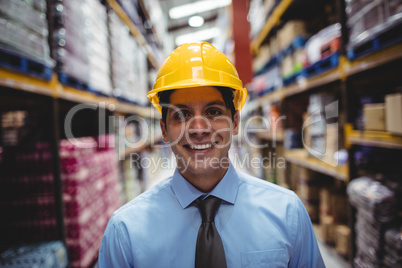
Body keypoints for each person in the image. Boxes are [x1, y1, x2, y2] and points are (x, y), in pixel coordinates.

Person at [98, 42, 325, 268]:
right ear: (164, 130)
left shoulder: (287, 214)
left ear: (235, 122)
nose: (199, 128)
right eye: (182, 114)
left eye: (214, 112)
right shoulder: (125, 233)